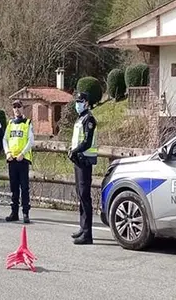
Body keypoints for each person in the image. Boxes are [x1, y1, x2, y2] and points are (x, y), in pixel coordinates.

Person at [68, 91, 98, 245]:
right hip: (78, 160)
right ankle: (82, 227)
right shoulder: (80, 118)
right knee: (80, 195)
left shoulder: (89, 119)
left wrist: (75, 151)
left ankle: (88, 234)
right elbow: (76, 139)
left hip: (85, 161)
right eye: (77, 101)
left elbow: (87, 142)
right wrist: (71, 150)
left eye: (80, 101)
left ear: (86, 102)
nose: (77, 104)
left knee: (85, 197)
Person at [3, 99, 34, 224]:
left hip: (23, 159)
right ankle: (14, 212)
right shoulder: (10, 123)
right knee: (14, 187)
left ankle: (25, 212)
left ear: (23, 108)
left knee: (24, 187)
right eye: (14, 107)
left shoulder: (27, 123)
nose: (16, 109)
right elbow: (5, 139)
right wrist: (7, 153)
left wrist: (22, 153)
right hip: (12, 159)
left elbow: (30, 141)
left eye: (19, 107)